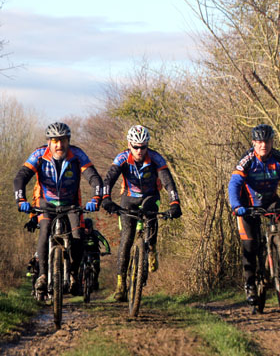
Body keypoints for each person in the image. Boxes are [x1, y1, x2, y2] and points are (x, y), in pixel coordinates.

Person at [14, 121, 103, 296]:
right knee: (45, 230)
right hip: (46, 204)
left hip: (71, 205)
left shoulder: (77, 155)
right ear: (49, 142)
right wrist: (21, 200)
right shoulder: (39, 155)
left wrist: (96, 198)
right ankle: (41, 276)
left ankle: (73, 275)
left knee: (77, 238)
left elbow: (94, 178)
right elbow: (20, 178)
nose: (59, 145)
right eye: (55, 141)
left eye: (62, 140)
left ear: (68, 141)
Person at [228, 124, 280, 306]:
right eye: (259, 142)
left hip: (269, 201)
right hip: (247, 205)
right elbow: (234, 183)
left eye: (266, 141)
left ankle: (276, 246)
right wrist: (236, 205)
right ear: (254, 143)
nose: (263, 145)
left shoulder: (278, 158)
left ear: (272, 142)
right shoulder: (248, 160)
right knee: (249, 245)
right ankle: (250, 285)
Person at [101, 125, 182, 301]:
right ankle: (121, 285)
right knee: (126, 240)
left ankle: (152, 248)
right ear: (129, 144)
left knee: (152, 216)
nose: (139, 150)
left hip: (150, 196)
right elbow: (109, 180)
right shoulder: (122, 158)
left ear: (147, 146)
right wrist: (106, 198)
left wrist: (175, 202)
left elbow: (168, 182)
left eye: (143, 147)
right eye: (135, 147)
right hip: (129, 198)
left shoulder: (155, 158)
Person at [81, 217, 110, 290]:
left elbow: (104, 241)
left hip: (95, 252)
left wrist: (107, 250)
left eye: (89, 228)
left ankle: (95, 280)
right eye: (85, 228)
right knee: (80, 266)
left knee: (96, 267)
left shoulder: (95, 233)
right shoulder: (80, 233)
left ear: (91, 227)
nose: (87, 230)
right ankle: (80, 283)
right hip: (83, 252)